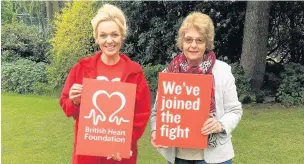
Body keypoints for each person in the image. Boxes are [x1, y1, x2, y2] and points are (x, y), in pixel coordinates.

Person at [59, 4, 151, 164]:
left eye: (114, 34)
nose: (109, 41)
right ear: (97, 38)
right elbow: (66, 105)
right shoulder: (81, 68)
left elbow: (141, 114)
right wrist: (75, 101)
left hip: (120, 156)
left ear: (122, 36)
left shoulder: (135, 73)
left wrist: (124, 143)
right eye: (103, 35)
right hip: (87, 156)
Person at [150, 12, 243, 164]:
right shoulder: (170, 72)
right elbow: (157, 113)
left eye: (199, 40)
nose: (193, 45)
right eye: (188, 40)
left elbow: (235, 111)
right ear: (182, 42)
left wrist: (220, 124)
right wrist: (155, 132)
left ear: (207, 43)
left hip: (214, 156)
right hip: (178, 156)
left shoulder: (222, 71)